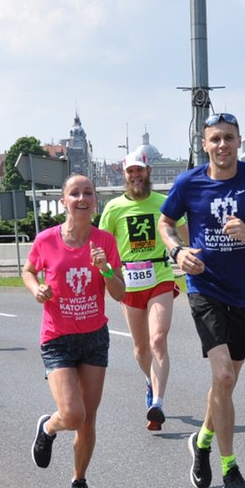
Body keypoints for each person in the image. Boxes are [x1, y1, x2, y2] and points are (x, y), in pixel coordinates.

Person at [158, 112, 245, 488]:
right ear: (204, 144)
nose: (222, 145)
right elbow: (165, 223)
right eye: (215, 139)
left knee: (225, 381)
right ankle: (230, 469)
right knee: (223, 376)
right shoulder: (189, 183)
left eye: (229, 138)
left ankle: (201, 441)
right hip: (205, 287)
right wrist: (178, 251)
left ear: (239, 143)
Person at [24, 174, 125, 488]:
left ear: (95, 200)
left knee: (88, 420)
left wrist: (106, 269)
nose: (82, 199)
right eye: (75, 193)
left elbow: (120, 293)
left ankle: (79, 480)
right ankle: (49, 428)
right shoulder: (46, 240)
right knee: (72, 415)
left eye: (88, 193)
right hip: (58, 338)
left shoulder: (105, 241)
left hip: (94, 337)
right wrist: (36, 289)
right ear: (63, 201)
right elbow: (28, 270)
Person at [99, 150, 187, 431]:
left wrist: (192, 253)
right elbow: (103, 246)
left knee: (158, 339)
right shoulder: (113, 208)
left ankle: (157, 403)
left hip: (160, 276)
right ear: (124, 175)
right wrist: (107, 274)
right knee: (140, 347)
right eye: (130, 171)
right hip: (129, 282)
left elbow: (186, 235)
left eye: (140, 170)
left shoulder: (164, 203)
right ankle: (150, 381)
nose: (136, 176)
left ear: (148, 172)